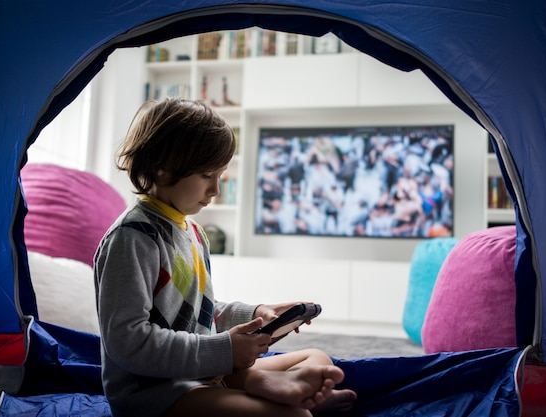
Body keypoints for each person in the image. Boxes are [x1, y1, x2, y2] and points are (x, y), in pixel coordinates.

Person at [94, 97, 357, 417]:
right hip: (155, 392)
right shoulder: (131, 239)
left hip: (202, 373)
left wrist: (256, 313)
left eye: (220, 175)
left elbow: (202, 312)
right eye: (207, 175)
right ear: (162, 168)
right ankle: (272, 391)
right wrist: (225, 350)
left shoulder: (193, 232)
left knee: (317, 357)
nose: (216, 189)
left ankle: (265, 386)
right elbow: (129, 342)